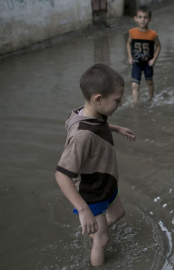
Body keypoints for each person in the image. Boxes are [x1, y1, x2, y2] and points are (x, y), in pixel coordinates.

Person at [55, 64, 136, 266]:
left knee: (118, 213)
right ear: (98, 99)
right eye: (117, 100)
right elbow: (61, 175)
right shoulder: (81, 137)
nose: (120, 103)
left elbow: (96, 124)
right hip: (91, 192)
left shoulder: (90, 113)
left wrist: (116, 128)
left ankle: (94, 229)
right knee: (103, 239)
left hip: (104, 182)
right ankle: (96, 252)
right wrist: (83, 210)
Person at [126, 5, 161, 104]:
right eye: (140, 17)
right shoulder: (132, 32)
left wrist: (154, 59)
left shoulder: (153, 34)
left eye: (145, 17)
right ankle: (135, 105)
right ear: (135, 18)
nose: (143, 20)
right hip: (136, 63)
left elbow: (158, 46)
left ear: (150, 19)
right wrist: (129, 57)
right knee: (134, 85)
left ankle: (151, 100)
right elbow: (128, 43)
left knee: (149, 82)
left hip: (148, 63)